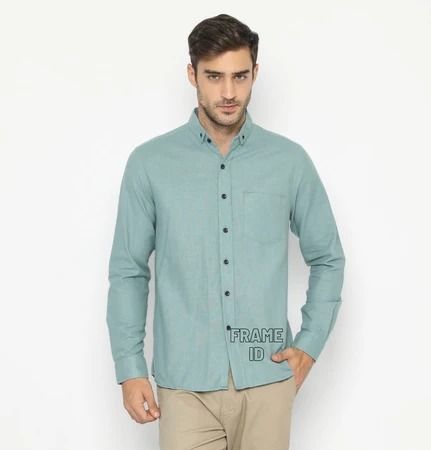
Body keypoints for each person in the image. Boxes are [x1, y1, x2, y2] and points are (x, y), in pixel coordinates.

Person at [106, 13, 346, 450]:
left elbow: (328, 257)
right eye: (214, 77)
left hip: (267, 377)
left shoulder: (288, 162)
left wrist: (309, 345)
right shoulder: (150, 164)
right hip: (185, 386)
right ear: (192, 74)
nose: (229, 92)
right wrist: (130, 367)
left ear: (255, 73)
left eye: (240, 76)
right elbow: (129, 271)